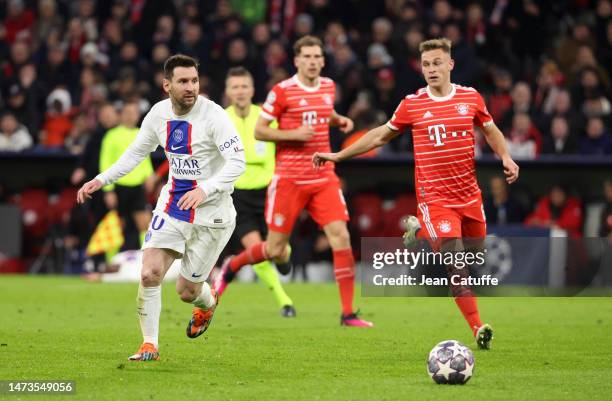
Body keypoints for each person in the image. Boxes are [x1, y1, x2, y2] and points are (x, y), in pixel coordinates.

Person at [313, 38, 520, 348]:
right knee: (456, 263)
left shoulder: (471, 98)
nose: (431, 69)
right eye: (426, 64)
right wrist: (339, 156)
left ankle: (420, 231)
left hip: (470, 197)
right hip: (435, 199)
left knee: (474, 255)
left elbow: (490, 130)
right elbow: (381, 134)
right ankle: (478, 329)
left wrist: (505, 156)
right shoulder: (412, 104)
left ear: (450, 64)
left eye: (437, 63)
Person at [77, 54, 246, 361]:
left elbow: (238, 162)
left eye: (194, 80)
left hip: (214, 214)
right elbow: (135, 153)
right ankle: (149, 345)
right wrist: (101, 180)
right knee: (150, 273)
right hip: (173, 205)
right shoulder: (157, 115)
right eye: (183, 81)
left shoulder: (215, 116)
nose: (191, 87)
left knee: (187, 292)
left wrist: (205, 189)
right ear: (167, 84)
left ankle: (208, 302)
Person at [216, 35, 373, 327]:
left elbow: (322, 112)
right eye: (307, 57)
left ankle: (348, 313)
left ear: (323, 61)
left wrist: (338, 120)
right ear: (297, 60)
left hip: (323, 175)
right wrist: (293, 135)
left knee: (340, 236)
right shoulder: (282, 91)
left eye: (317, 56)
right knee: (275, 250)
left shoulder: (328, 87)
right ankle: (233, 265)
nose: (312, 62)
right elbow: (261, 131)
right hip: (288, 179)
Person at [214, 66, 296, 317]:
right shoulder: (220, 119)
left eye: (244, 86)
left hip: (270, 191)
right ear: (228, 92)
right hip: (238, 194)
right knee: (257, 248)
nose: (240, 91)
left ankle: (285, 257)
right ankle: (285, 301)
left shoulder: (266, 117)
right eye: (235, 87)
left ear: (252, 90)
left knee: (279, 251)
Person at [99, 100, 154, 251]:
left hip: (137, 187)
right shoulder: (111, 135)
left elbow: (145, 159)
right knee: (115, 228)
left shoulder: (141, 134)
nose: (131, 116)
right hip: (119, 187)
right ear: (121, 114)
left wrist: (149, 175)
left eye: (134, 113)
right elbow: (105, 163)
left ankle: (145, 261)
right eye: (128, 113)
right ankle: (111, 264)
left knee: (145, 225)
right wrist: (108, 190)